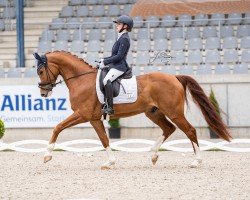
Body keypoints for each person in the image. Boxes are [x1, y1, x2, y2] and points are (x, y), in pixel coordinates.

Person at [99, 15, 133, 115]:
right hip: (114, 65)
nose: (116, 25)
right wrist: (103, 60)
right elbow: (113, 55)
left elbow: (119, 56)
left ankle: (110, 107)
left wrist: (105, 62)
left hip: (120, 66)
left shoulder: (124, 39)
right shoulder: (121, 37)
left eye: (119, 24)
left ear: (125, 26)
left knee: (106, 80)